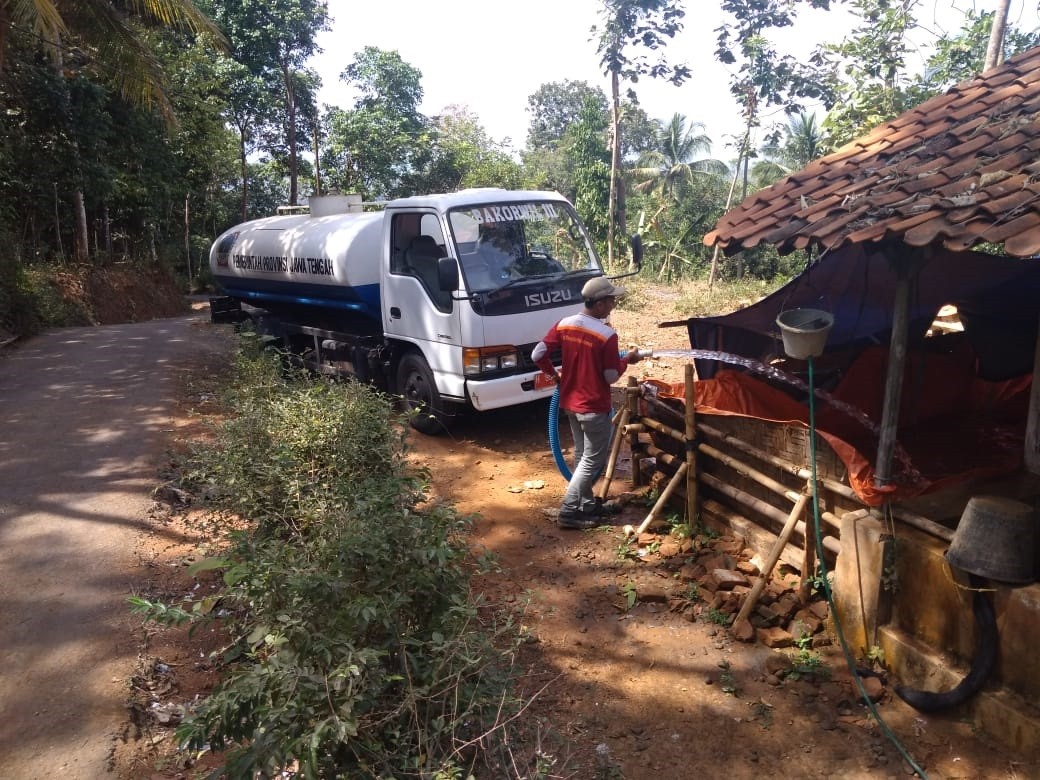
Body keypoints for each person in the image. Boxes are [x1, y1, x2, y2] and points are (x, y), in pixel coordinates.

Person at [531, 276, 642, 529]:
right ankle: (569, 511)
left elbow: (537, 354)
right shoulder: (606, 334)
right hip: (593, 405)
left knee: (582, 455)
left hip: (569, 402)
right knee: (592, 461)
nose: (614, 302)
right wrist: (629, 360)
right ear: (600, 304)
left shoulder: (564, 324)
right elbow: (611, 376)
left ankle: (587, 505)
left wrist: (554, 375)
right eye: (611, 299)